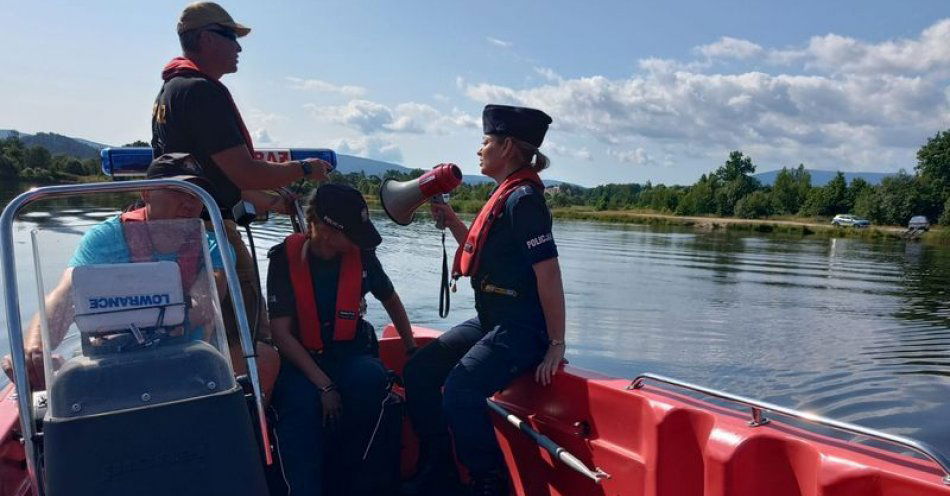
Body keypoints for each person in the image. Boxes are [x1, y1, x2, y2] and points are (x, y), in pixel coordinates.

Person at [151, 1, 332, 384]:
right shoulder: (202, 92)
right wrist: (305, 169)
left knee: (206, 331)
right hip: (210, 233)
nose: (239, 47)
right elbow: (243, 170)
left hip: (180, 229)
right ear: (203, 38)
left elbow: (215, 173)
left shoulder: (172, 91)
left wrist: (269, 201)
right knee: (248, 335)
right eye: (230, 36)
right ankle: (251, 419)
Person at [401, 105, 567, 496]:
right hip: (492, 320)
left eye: (486, 141)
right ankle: (437, 469)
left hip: (522, 328)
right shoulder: (505, 194)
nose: (479, 149)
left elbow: (549, 273)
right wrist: (454, 221)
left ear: (507, 146)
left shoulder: (524, 199)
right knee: (420, 371)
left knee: (461, 389)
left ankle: (489, 485)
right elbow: (484, 255)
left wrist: (556, 344)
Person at [0, 156, 271, 392]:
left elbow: (204, 306)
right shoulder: (105, 239)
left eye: (196, 195)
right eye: (178, 191)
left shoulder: (211, 245)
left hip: (184, 360)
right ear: (146, 193)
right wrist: (35, 349)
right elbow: (65, 295)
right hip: (112, 362)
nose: (190, 203)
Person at [266, 184, 418, 495]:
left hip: (348, 353)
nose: (356, 242)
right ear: (323, 228)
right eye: (351, 234)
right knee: (300, 405)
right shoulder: (284, 259)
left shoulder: (361, 256)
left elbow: (390, 299)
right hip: (300, 362)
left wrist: (411, 347)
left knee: (370, 379)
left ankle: (357, 483)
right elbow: (281, 333)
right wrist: (324, 385)